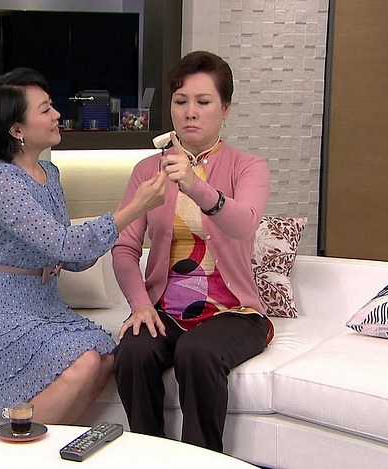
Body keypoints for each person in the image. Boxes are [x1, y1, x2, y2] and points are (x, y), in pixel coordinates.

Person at [0, 68, 166, 424]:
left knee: (106, 358)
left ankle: (48, 445)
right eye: (45, 109)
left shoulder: (51, 175)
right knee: (86, 362)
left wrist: (63, 253)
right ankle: (19, 445)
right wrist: (134, 209)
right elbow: (66, 245)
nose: (57, 115)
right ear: (17, 130)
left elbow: (73, 256)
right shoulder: (0, 180)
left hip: (42, 304)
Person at [111, 51, 274, 452]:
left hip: (234, 311)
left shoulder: (248, 166)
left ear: (225, 109)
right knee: (132, 351)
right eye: (181, 101)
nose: (190, 112)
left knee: (197, 351)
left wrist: (193, 184)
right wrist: (140, 305)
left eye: (203, 102)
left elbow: (244, 224)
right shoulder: (147, 170)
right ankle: (150, 455)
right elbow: (125, 247)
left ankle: (202, 460)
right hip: (166, 310)